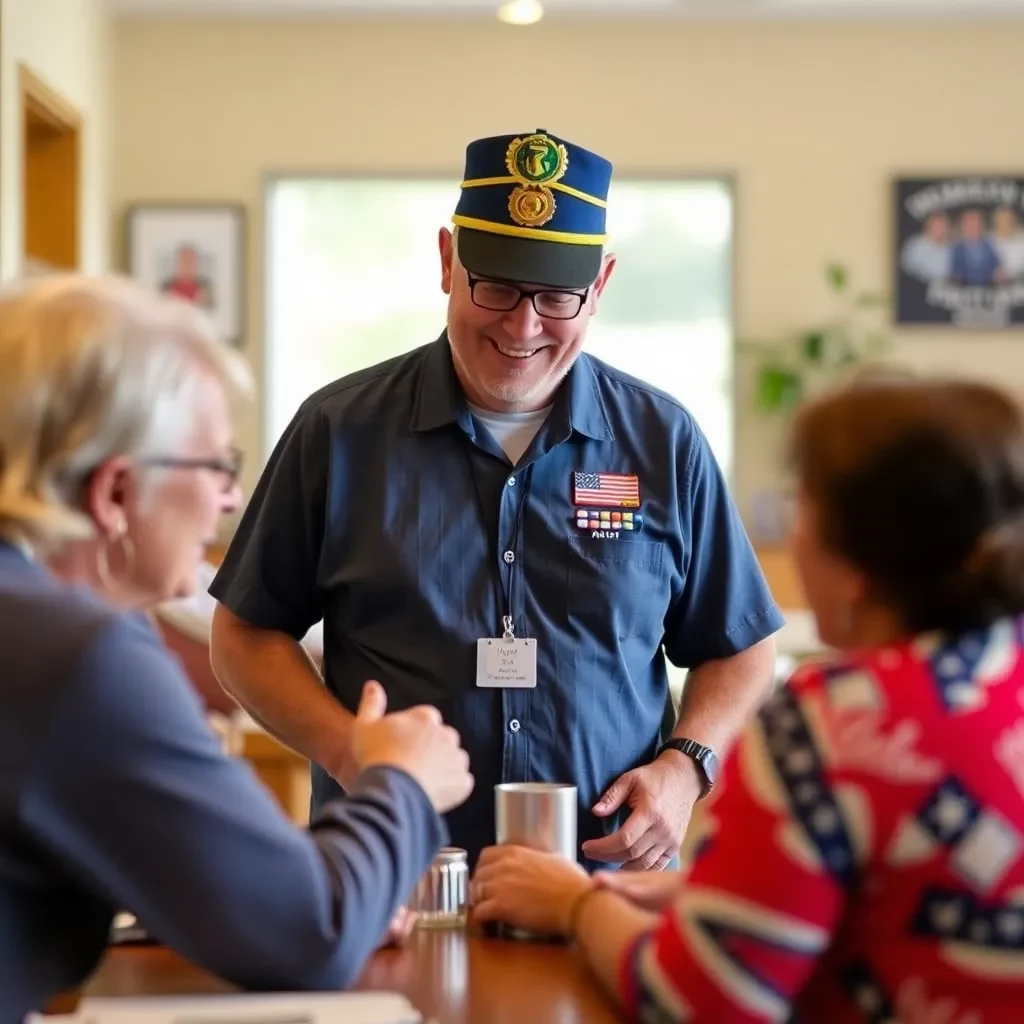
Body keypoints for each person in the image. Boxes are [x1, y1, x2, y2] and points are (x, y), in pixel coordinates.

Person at [209, 129, 781, 873]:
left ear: (600, 286)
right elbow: (245, 635)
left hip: (605, 887)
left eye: (555, 296)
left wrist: (685, 767)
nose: (523, 326)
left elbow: (740, 647)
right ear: (448, 261)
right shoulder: (338, 431)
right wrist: (346, 749)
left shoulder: (662, 441)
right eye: (498, 288)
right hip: (393, 876)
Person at [470, 376, 1024, 1020]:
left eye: (802, 502)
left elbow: (696, 1000)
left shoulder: (829, 725)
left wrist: (575, 904)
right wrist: (698, 898)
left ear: (855, 565)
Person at [0, 275, 474, 1022]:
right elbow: (310, 935)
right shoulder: (77, 655)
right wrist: (401, 781)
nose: (229, 500)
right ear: (116, 492)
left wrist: (311, 881)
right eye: (216, 467)